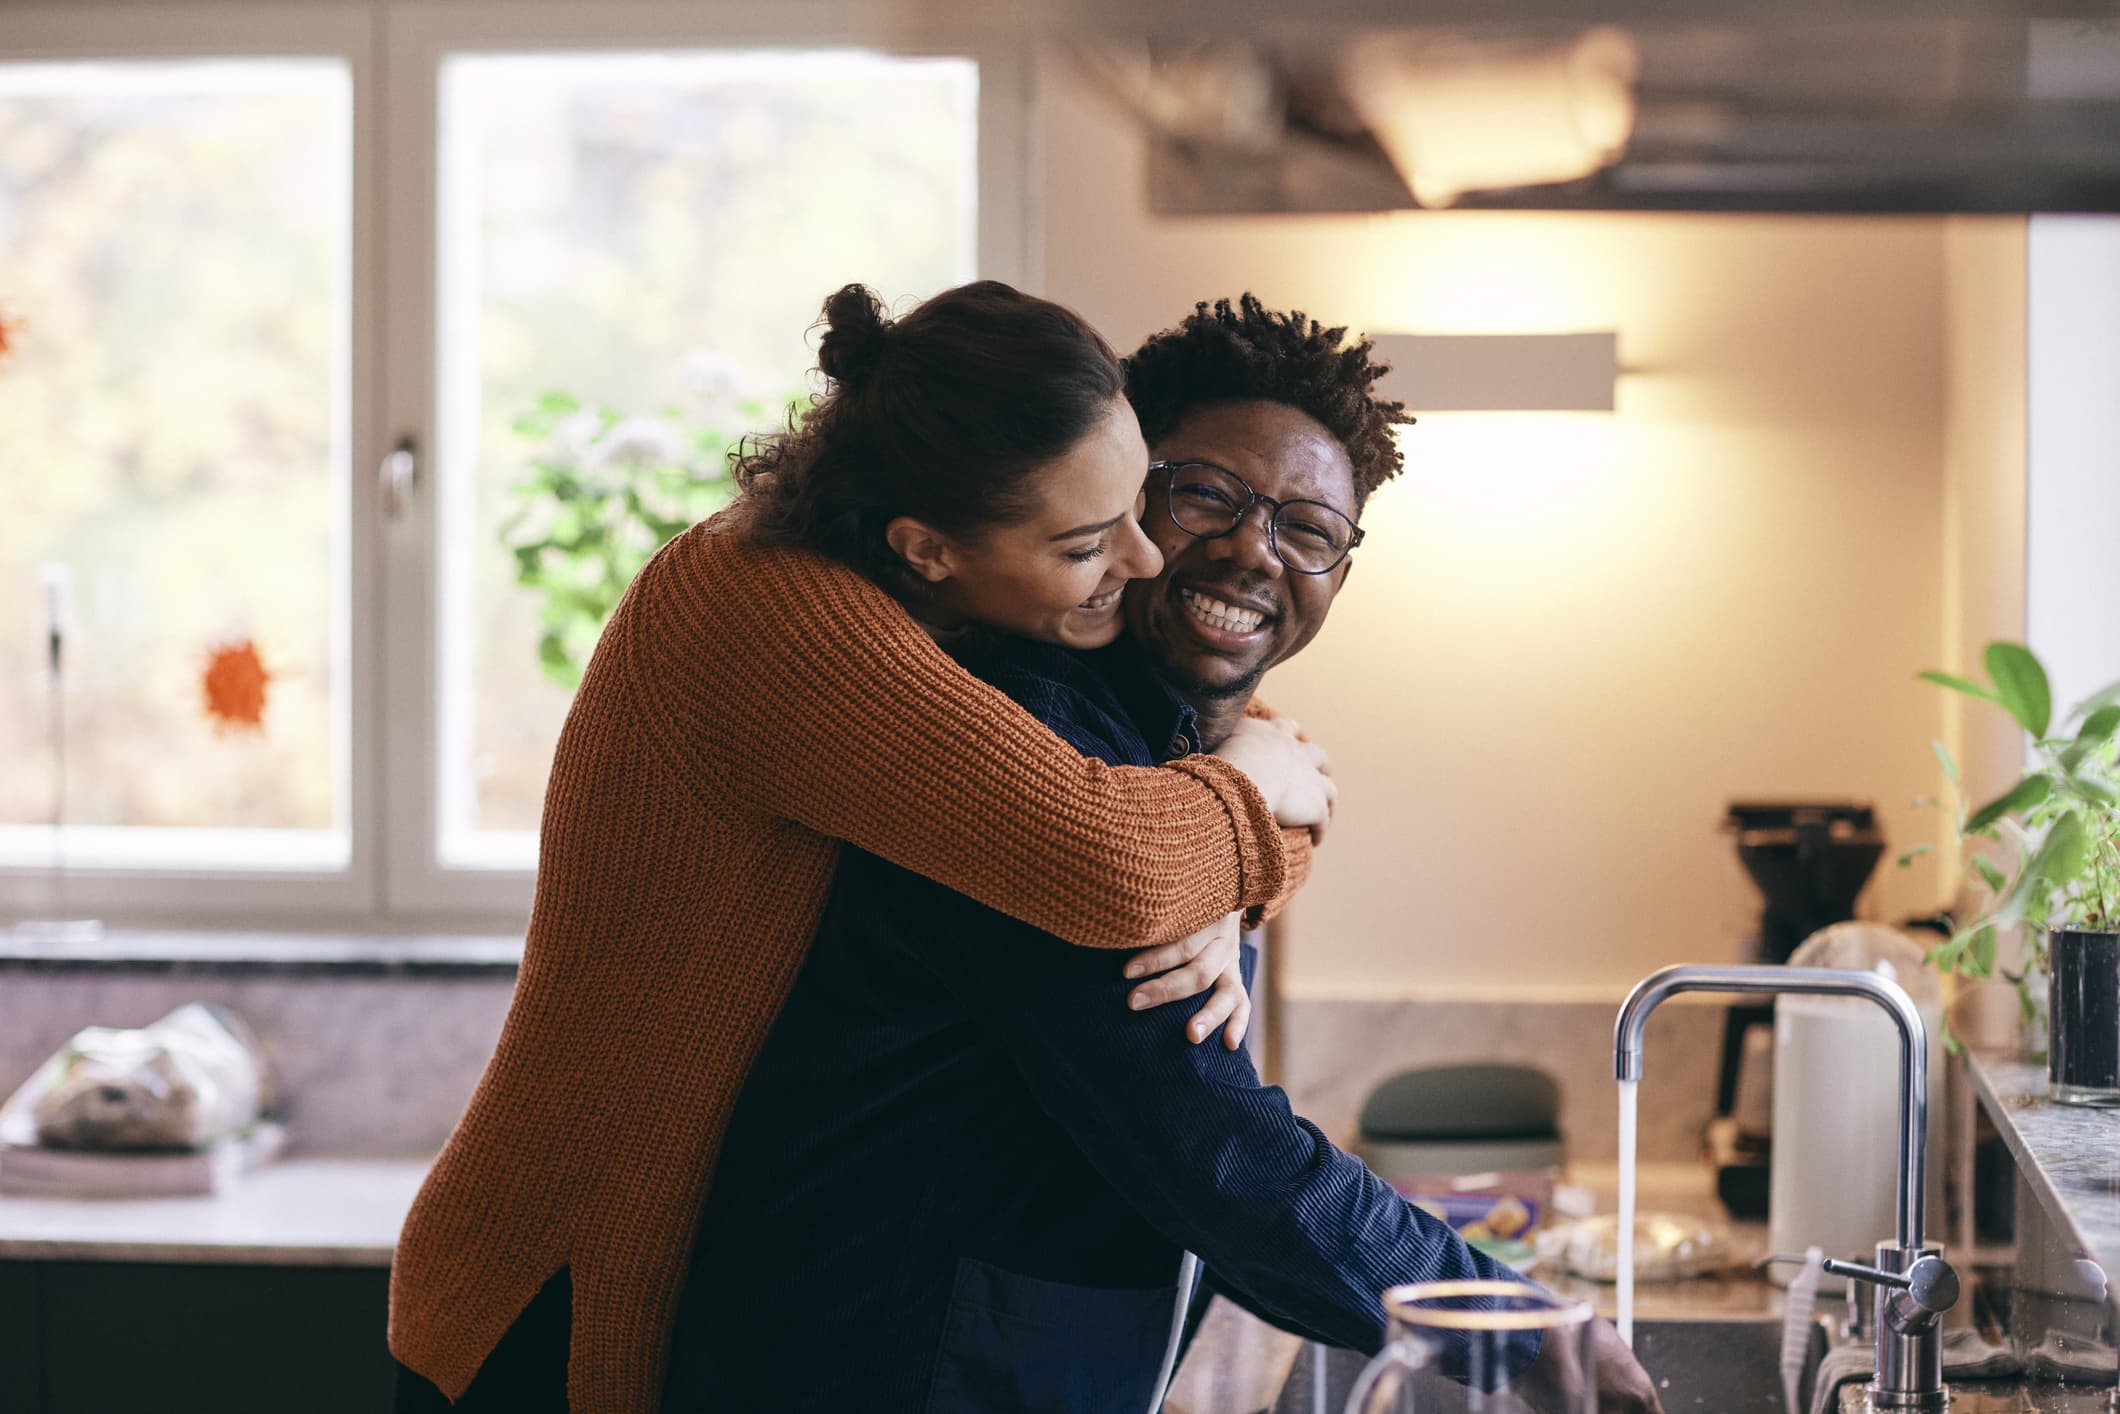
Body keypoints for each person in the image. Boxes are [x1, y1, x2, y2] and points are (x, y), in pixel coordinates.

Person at [660, 297, 1660, 1413]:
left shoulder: (1173, 747)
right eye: (1205, 496)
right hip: (883, 1367)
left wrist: (1248, 810)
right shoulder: (1021, 739)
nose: (1252, 550)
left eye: (1308, 529)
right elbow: (1207, 1143)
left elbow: (1243, 827)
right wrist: (1510, 1321)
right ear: (1126, 485)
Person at [388, 282, 1335, 1414]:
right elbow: (1107, 858)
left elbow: (1137, 805)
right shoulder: (772, 612)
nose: (1137, 560)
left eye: (1139, 506)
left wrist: (1237, 850)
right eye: (1088, 541)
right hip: (552, 1284)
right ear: (926, 547)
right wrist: (1248, 805)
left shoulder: (930, 595)